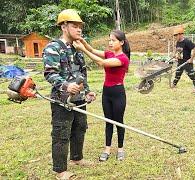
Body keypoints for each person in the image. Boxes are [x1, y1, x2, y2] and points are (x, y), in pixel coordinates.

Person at [42, 9, 96, 179]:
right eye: (75, 26)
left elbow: (82, 73)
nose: (79, 30)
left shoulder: (77, 48)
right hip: (62, 100)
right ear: (64, 27)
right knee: (61, 133)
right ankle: (60, 170)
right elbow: (50, 73)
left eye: (80, 27)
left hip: (79, 99)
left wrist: (87, 91)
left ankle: (77, 158)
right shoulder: (53, 47)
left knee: (80, 128)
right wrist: (66, 86)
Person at [73, 30, 130, 161]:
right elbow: (92, 50)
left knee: (118, 122)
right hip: (107, 92)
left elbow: (102, 63)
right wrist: (83, 42)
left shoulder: (123, 59)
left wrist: (82, 49)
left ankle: (120, 149)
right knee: (108, 121)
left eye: (113, 40)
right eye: (109, 40)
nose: (110, 43)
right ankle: (107, 148)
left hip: (118, 93)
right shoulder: (109, 53)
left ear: (121, 42)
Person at [172, 26, 195, 94]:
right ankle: (174, 85)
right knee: (177, 74)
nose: (175, 36)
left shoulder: (187, 42)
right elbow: (177, 49)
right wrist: (174, 54)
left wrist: (191, 58)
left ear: (180, 34)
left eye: (176, 35)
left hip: (187, 62)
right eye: (174, 35)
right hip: (180, 62)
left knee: (192, 75)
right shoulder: (178, 42)